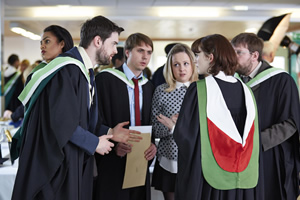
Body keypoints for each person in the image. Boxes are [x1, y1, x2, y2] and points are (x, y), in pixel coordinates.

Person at [11, 16, 141, 200]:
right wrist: (95, 143)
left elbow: (82, 120)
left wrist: (111, 131)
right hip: (57, 170)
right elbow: (63, 123)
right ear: (98, 41)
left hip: (72, 162)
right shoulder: (67, 70)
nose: (115, 50)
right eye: (113, 44)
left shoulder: (83, 71)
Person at [174, 34, 263, 200]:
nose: (195, 61)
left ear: (210, 58)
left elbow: (185, 137)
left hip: (208, 180)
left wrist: (176, 126)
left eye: (197, 55)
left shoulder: (198, 91)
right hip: (243, 176)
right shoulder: (247, 91)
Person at [231, 32, 300, 200]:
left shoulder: (281, 80)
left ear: (254, 55)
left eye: (239, 52)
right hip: (240, 156)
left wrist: (255, 143)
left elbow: (290, 123)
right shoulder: (234, 83)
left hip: (271, 154)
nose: (233, 57)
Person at [94, 32, 157, 200]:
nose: (145, 57)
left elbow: (152, 123)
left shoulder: (149, 87)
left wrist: (152, 144)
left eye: (149, 52)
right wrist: (113, 142)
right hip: (110, 160)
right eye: (140, 51)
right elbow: (92, 120)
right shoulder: (104, 80)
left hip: (139, 160)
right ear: (127, 52)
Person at [151, 43, 198, 200]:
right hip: (169, 160)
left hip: (196, 159)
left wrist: (178, 126)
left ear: (193, 64)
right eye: (176, 64)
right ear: (170, 67)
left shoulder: (202, 90)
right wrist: (171, 128)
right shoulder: (161, 91)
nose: (181, 69)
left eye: (185, 63)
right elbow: (155, 129)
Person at [3, 25, 75, 122]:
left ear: (62, 44)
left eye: (47, 41)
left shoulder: (67, 72)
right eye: (41, 43)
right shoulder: (46, 70)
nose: (42, 46)